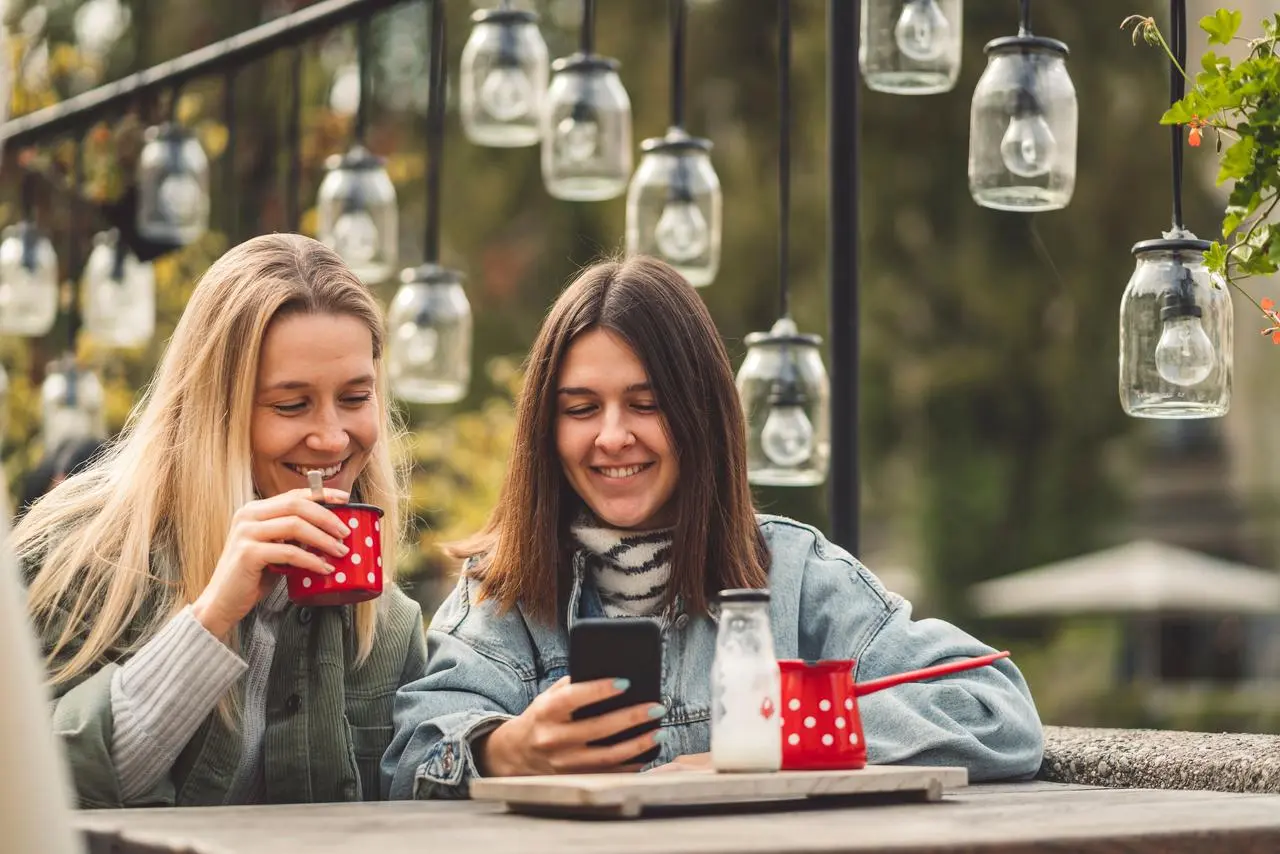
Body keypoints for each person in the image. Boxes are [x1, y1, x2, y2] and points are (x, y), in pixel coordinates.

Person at [382, 256, 1043, 800]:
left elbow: (995, 712)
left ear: (701, 414)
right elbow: (409, 756)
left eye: (646, 404)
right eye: (581, 408)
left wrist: (775, 737)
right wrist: (506, 750)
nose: (612, 436)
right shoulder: (502, 594)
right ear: (546, 430)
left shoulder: (796, 574)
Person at [15, 234, 427, 807]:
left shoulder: (389, 626)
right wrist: (211, 619)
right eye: (291, 405)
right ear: (216, 409)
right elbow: (31, 790)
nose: (333, 438)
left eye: (355, 398)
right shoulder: (77, 558)